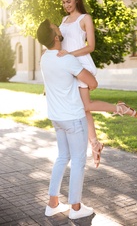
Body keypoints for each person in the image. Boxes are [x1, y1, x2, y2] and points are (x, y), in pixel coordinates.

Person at [57, 0, 137, 168]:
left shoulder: (86, 18)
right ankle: (95, 144)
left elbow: (90, 47)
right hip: (69, 67)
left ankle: (120, 108)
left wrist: (69, 55)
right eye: (63, 2)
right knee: (83, 109)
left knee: (85, 106)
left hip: (81, 64)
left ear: (76, 0)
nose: (66, 5)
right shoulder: (63, 20)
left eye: (68, 1)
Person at [37, 19, 98, 219]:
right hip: (73, 118)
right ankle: (76, 209)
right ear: (56, 37)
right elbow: (93, 83)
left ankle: (52, 204)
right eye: (56, 27)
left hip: (57, 119)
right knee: (78, 161)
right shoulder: (67, 59)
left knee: (63, 157)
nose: (59, 27)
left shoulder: (44, 58)